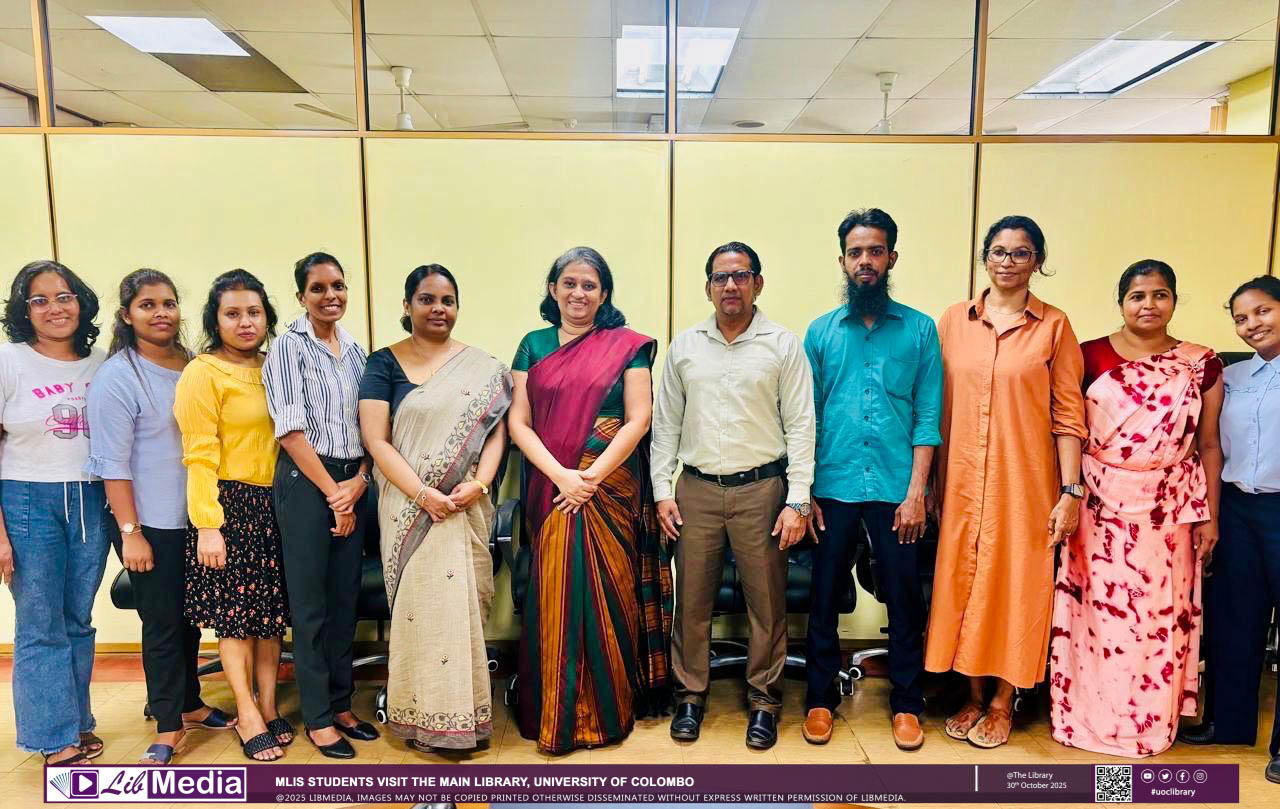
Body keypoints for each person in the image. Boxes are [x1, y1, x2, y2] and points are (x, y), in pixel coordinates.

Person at [924, 215, 1087, 749]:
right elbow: (931, 407)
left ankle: (1003, 701)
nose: (1008, 262)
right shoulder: (952, 320)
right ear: (984, 258)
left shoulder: (1055, 326)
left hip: (1026, 486)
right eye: (998, 251)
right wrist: (924, 483)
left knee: (1017, 591)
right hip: (961, 483)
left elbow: (1068, 416)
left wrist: (1070, 491)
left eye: (1020, 253)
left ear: (1038, 261)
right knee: (963, 588)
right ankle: (972, 695)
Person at [1048, 260, 1222, 758]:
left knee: (1156, 617)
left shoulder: (1200, 364)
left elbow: (1208, 445)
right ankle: (1089, 714)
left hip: (1169, 510)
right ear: (1121, 301)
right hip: (1097, 504)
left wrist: (1210, 515)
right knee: (1095, 616)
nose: (1149, 305)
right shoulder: (1087, 356)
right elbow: (1067, 431)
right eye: (1138, 295)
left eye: (1160, 295)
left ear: (1174, 300)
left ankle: (1147, 720)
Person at [652, 241, 815, 751]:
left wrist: (799, 499)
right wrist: (662, 491)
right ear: (708, 287)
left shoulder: (783, 345)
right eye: (721, 277)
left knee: (766, 604)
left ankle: (765, 702)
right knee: (692, 602)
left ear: (757, 284)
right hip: (696, 490)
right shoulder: (685, 347)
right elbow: (665, 428)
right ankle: (690, 698)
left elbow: (802, 426)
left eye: (741, 276)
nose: (730, 286)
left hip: (763, 491)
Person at [510, 246, 673, 755]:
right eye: (569, 283)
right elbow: (519, 422)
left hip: (608, 490)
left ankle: (608, 709)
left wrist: (590, 478)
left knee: (611, 594)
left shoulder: (629, 346)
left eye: (590, 285)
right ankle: (555, 714)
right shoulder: (532, 345)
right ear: (553, 289)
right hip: (550, 486)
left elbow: (638, 419)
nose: (579, 293)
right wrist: (562, 476)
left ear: (604, 295)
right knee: (558, 593)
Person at [87, 269, 239, 765]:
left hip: (196, 515)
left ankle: (190, 703)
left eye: (169, 303)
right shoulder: (117, 376)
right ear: (127, 315)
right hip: (147, 523)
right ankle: (169, 724)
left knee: (190, 618)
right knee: (162, 623)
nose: (161, 313)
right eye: (147, 305)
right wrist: (131, 533)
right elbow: (110, 463)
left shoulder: (194, 365)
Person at [802, 210, 941, 750]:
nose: (866, 261)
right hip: (831, 488)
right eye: (856, 252)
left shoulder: (920, 330)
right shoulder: (820, 331)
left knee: (904, 598)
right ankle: (819, 699)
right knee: (822, 595)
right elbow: (805, 417)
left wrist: (917, 494)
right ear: (842, 260)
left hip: (895, 491)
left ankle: (907, 704)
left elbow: (927, 417)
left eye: (876, 251)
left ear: (891, 259)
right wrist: (804, 493)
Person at [358, 264, 511, 752]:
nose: (438, 308)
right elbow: (375, 440)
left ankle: (464, 718)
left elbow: (496, 434)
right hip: (408, 507)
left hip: (464, 505)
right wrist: (424, 495)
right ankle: (420, 715)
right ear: (407, 306)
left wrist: (481, 484)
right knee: (418, 612)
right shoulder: (383, 364)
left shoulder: (483, 367)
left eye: (447, 300)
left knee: (458, 611)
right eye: (426, 299)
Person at [175, 269, 291, 762]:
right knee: (235, 620)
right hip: (228, 503)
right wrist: (208, 524)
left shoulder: (279, 365)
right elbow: (198, 452)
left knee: (270, 618)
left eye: (254, 312)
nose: (245, 322)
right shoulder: (202, 372)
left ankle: (267, 704)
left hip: (279, 503)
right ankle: (245, 712)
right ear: (215, 319)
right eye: (233, 314)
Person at [263, 253, 376, 759]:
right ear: (301, 295)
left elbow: (374, 427)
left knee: (344, 602)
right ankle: (317, 718)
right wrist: (335, 493)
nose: (331, 295)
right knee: (310, 608)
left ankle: (341, 702)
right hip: (308, 480)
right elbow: (288, 431)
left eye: (338, 285)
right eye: (318, 288)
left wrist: (360, 481)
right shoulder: (288, 347)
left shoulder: (356, 350)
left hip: (353, 477)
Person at [0, 261, 109, 766]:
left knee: (77, 619)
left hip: (91, 497)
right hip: (26, 499)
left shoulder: (103, 363)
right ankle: (52, 735)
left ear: (81, 302)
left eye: (63, 296)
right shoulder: (9, 361)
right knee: (40, 622)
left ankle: (77, 721)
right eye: (39, 300)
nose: (53, 308)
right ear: (25, 311)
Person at [1180, 275, 1280, 785]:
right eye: (1241, 318)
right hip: (1239, 507)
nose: (1251, 325)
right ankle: (1228, 725)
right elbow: (1208, 445)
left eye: (1262, 312)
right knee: (1233, 620)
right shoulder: (1234, 377)